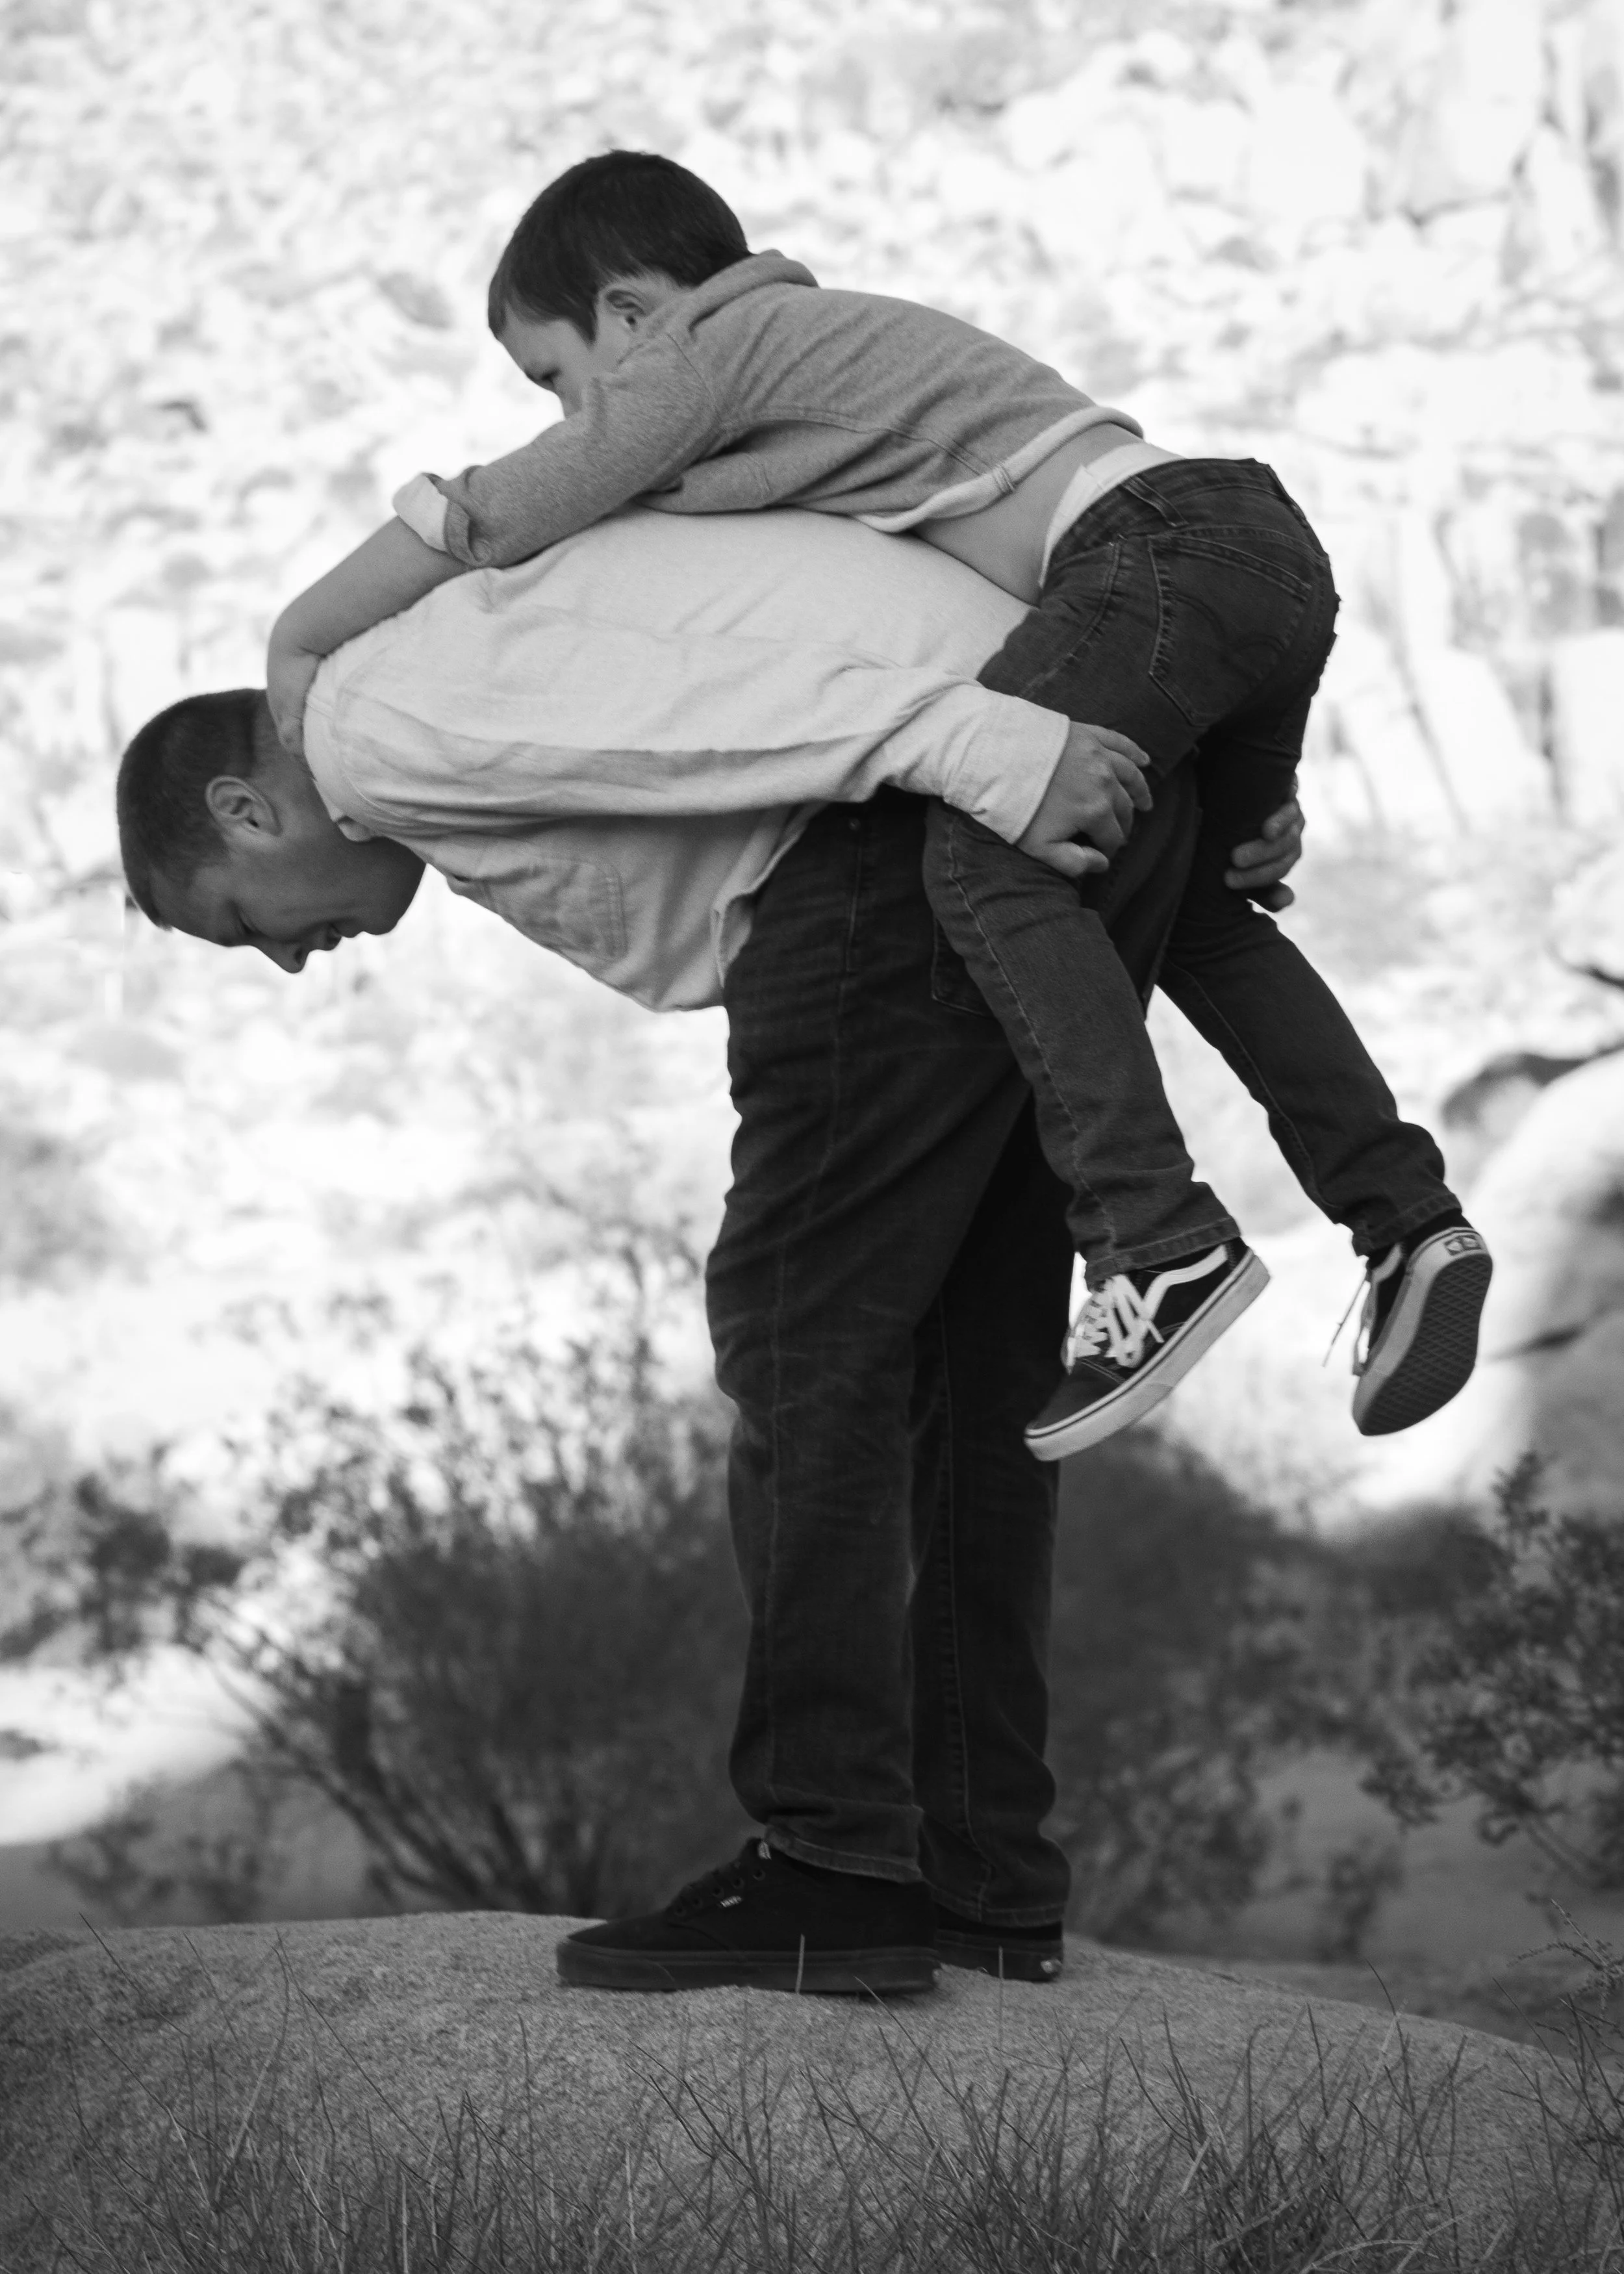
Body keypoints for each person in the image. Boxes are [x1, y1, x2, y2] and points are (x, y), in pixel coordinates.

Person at [119, 505, 1304, 1992]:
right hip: (992, 859)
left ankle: (831, 1861)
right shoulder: (435, 673)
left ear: (244, 810)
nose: (291, 961)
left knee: (800, 1338)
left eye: (246, 930)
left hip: (873, 878)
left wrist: (988, 752)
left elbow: (696, 718)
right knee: (971, 1375)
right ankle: (988, 1878)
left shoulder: (366, 722)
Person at [263, 151, 1490, 1453]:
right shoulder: (799, 374)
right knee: (1212, 910)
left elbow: (506, 508)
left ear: (630, 314)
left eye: (554, 378)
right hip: (1248, 552)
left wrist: (303, 636)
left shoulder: (717, 345)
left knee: (984, 851)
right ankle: (1407, 1224)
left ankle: (1155, 1241)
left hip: (1152, 547)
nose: (569, 413)